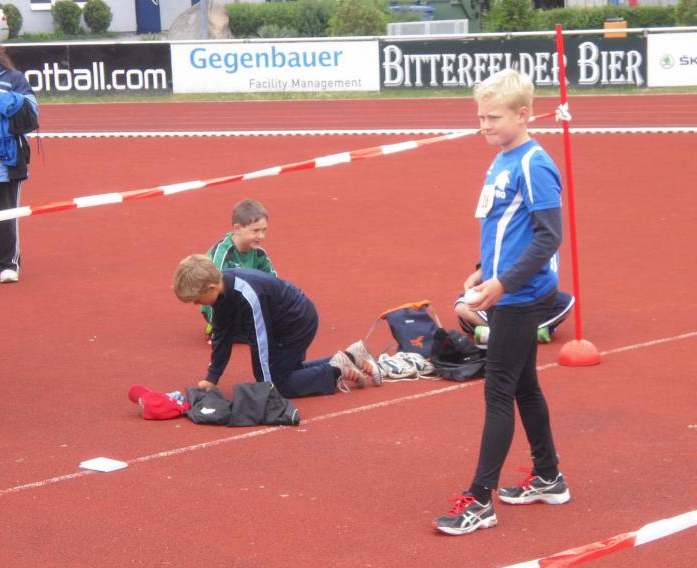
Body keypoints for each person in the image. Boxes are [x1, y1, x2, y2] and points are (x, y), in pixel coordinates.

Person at [433, 68, 570, 536]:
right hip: (507, 289)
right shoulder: (502, 159)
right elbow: (506, 227)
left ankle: (479, 501)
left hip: (521, 296)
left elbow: (549, 236)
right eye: (480, 117)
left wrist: (504, 284)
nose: (484, 125)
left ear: (523, 115)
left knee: (498, 392)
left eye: (493, 117)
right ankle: (549, 476)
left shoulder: (534, 164)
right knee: (524, 386)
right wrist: (482, 269)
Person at [173, 254, 382, 398]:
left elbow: (259, 341)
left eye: (197, 300)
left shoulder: (247, 294)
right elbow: (222, 335)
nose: (197, 304)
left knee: (279, 384)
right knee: (286, 372)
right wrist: (212, 377)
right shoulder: (221, 292)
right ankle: (352, 356)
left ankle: (336, 370)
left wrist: (267, 386)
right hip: (281, 324)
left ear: (211, 287)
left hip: (297, 322)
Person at [0, 26, 38, 284]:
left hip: (3, 162)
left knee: (5, 216)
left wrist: (3, 100)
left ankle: (8, 264)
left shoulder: (13, 78)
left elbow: (32, 114)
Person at [201, 198, 277, 338]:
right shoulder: (223, 254)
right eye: (255, 231)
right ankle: (218, 326)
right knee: (260, 334)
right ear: (237, 229)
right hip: (219, 304)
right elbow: (212, 291)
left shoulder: (258, 253)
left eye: (264, 230)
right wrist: (218, 327)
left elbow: (274, 283)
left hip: (241, 299)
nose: (261, 236)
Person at [454, 288, 575, 346]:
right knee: (463, 306)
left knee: (567, 301)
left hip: (529, 299)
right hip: (499, 301)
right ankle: (521, 334)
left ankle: (499, 334)